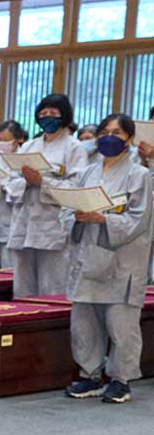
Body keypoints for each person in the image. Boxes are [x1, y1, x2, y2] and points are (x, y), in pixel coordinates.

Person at [62, 114, 151, 404]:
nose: (109, 137)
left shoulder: (139, 175)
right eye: (104, 132)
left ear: (130, 140)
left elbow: (138, 219)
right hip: (87, 255)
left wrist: (103, 219)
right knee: (83, 320)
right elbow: (68, 207)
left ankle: (121, 379)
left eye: (117, 132)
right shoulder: (88, 172)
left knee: (120, 323)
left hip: (121, 260)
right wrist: (76, 216)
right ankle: (90, 375)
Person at [5, 94, 89, 297]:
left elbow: (76, 188)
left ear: (64, 115)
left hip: (54, 228)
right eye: (43, 113)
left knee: (52, 288)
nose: (47, 116)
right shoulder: (29, 146)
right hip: (24, 226)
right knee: (22, 289)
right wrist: (25, 181)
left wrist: (43, 182)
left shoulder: (74, 147)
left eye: (53, 112)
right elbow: (10, 182)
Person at [0, 120, 28, 269]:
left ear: (19, 138)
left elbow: (26, 185)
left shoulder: (26, 158)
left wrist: (8, 187)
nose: (3, 143)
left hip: (16, 220)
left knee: (9, 269)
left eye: (6, 140)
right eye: (0, 140)